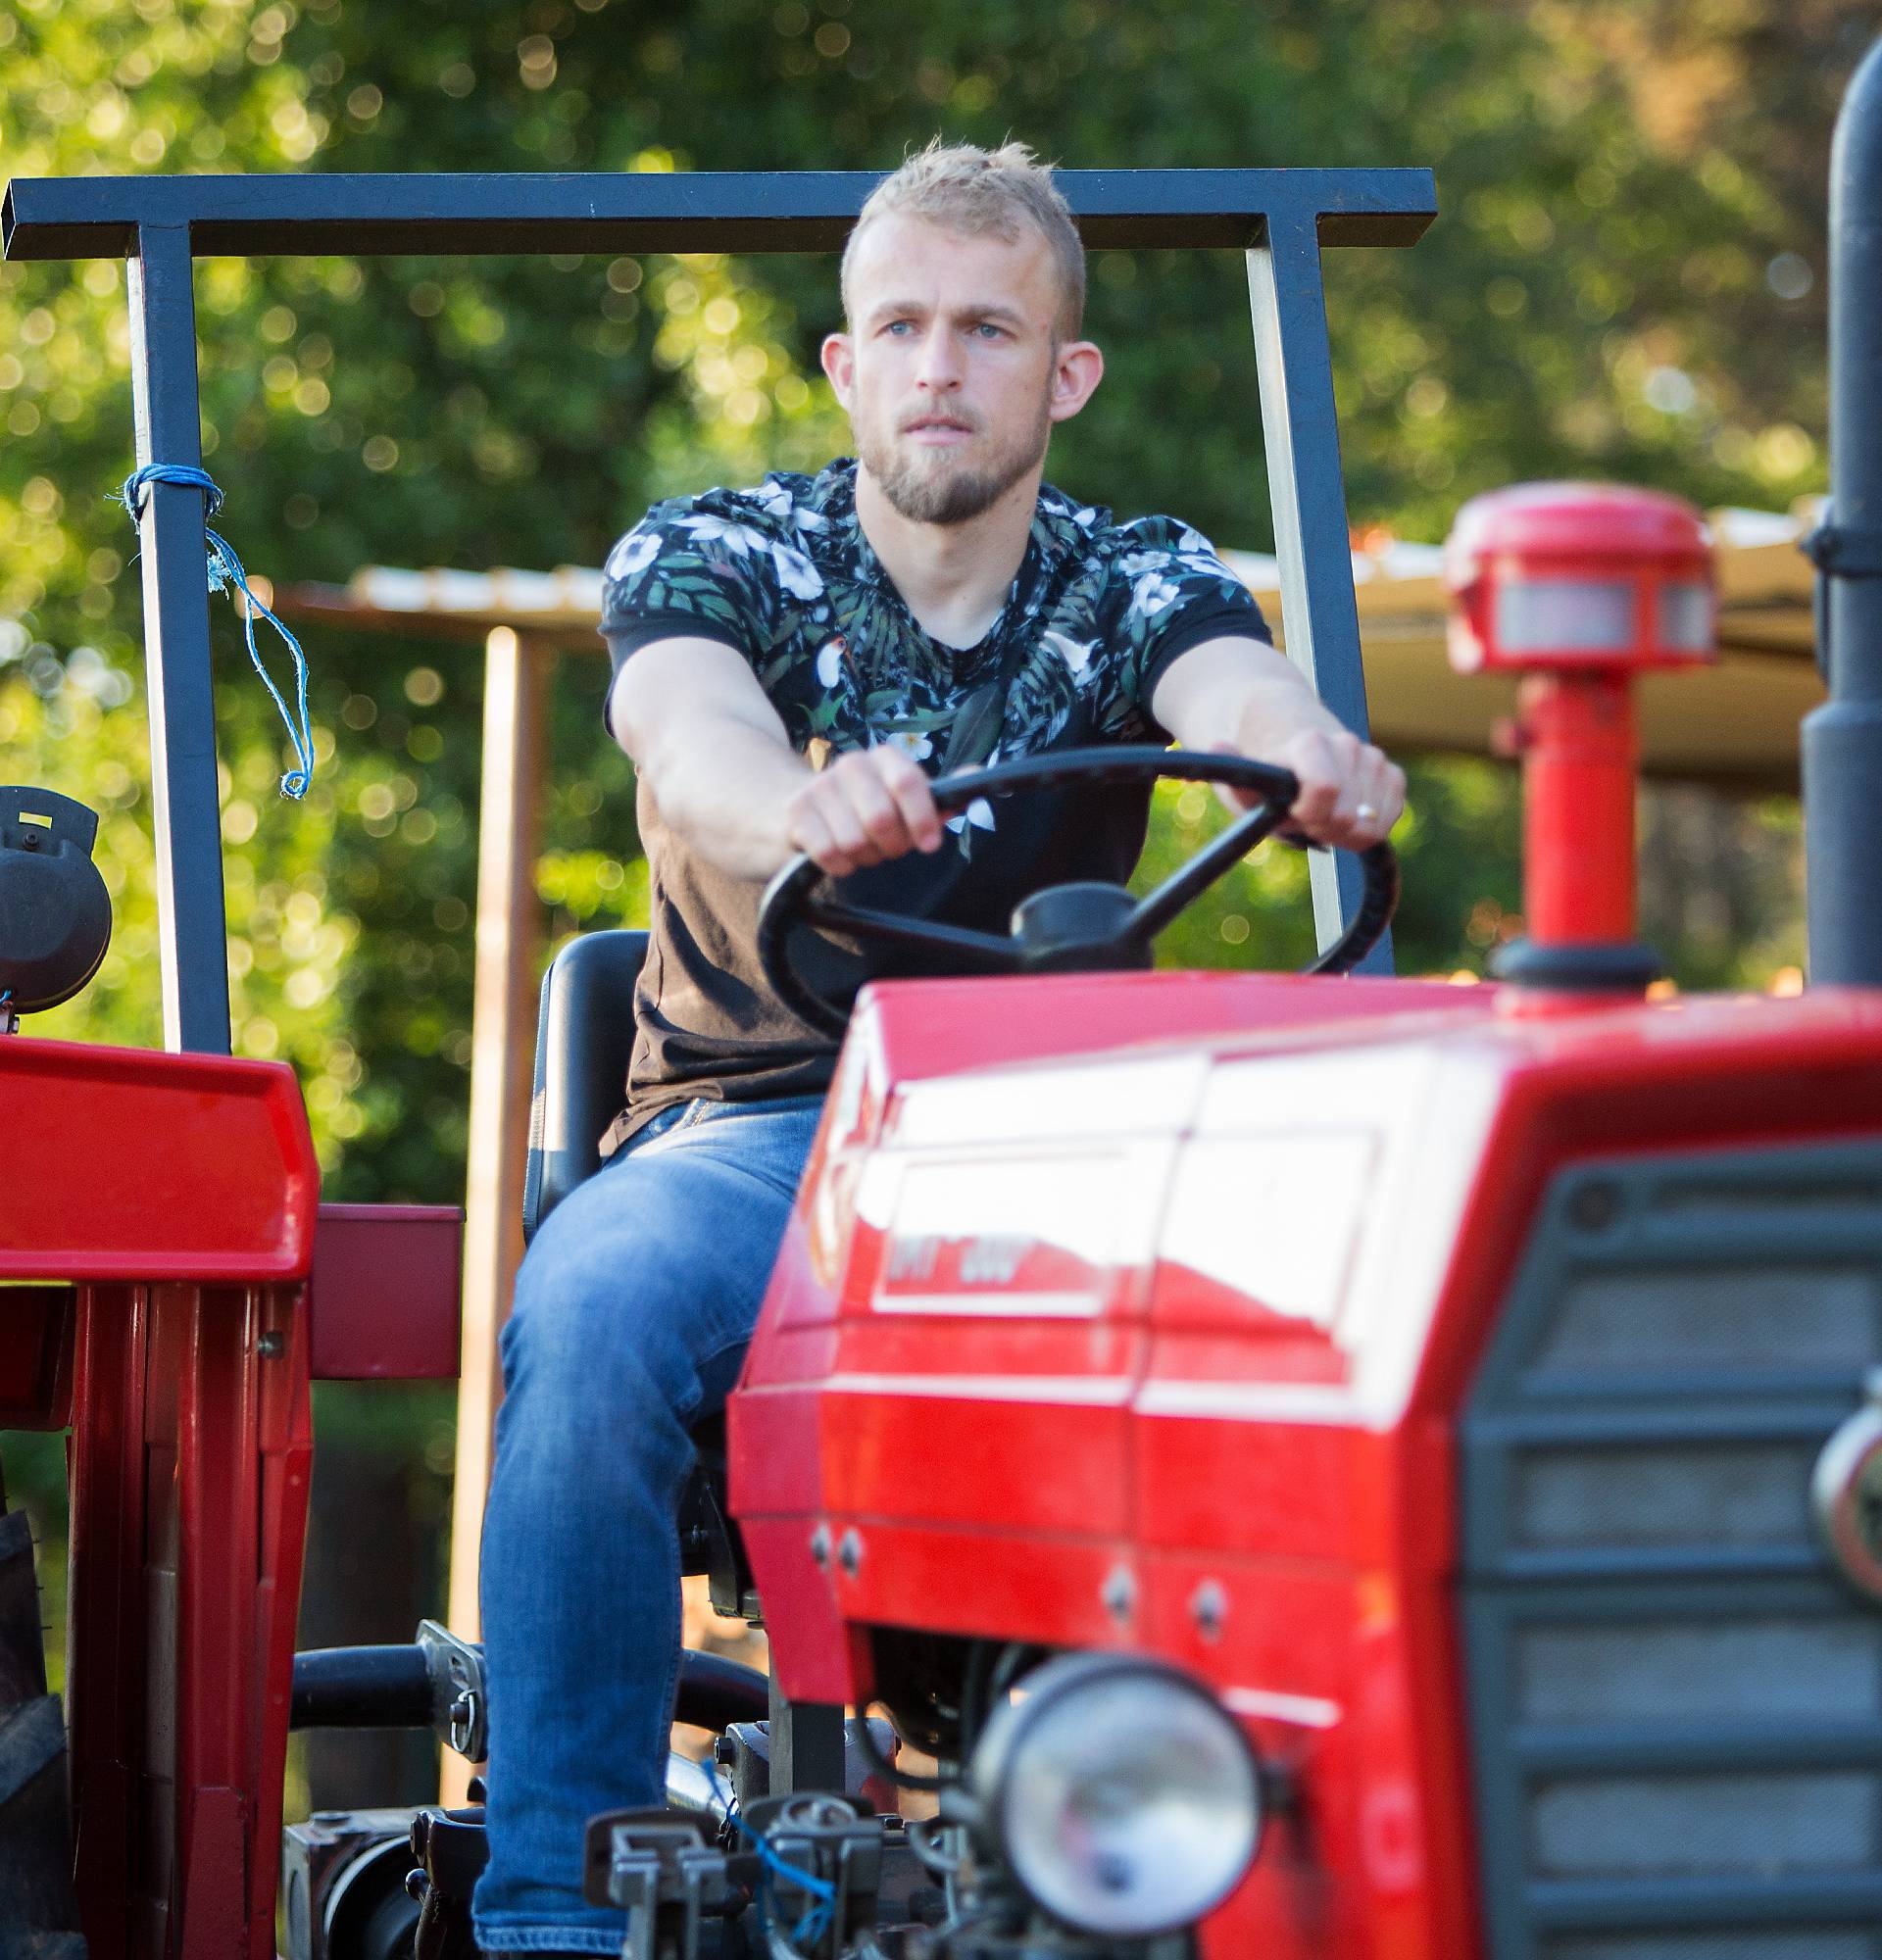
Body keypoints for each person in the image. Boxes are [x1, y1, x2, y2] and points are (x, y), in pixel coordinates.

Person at [472, 139, 1405, 1957]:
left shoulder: (1135, 577)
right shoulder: (724, 549)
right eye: (899, 325)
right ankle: (554, 1915)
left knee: (1331, 1334)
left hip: (1042, 1144)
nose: (938, 366)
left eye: (988, 329)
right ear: (843, 363)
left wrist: (1304, 752)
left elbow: (1236, 688)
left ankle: (1244, 1876)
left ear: (1064, 377)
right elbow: (691, 750)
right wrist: (806, 807)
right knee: (588, 1315)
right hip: (766, 1127)